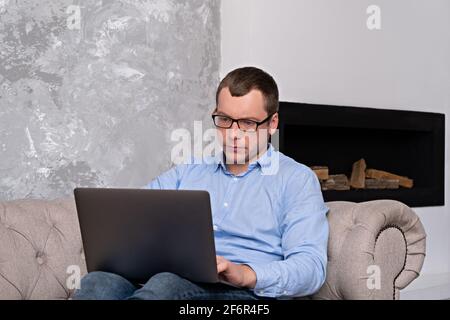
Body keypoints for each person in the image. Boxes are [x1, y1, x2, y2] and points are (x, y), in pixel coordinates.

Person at [73, 66, 329, 300]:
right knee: (99, 283)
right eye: (225, 120)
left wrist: (246, 274)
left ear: (272, 123)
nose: (233, 134)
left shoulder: (296, 179)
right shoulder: (188, 172)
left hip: (245, 295)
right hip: (172, 279)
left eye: (248, 123)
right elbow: (131, 219)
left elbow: (311, 267)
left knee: (165, 286)